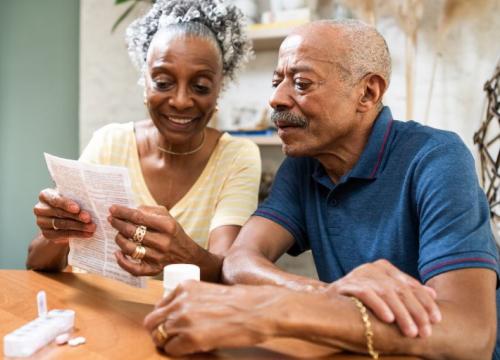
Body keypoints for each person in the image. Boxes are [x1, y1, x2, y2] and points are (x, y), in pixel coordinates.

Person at [144, 19, 500, 359]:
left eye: (301, 83)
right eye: (277, 82)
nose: (276, 99)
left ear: (367, 92)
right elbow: (238, 262)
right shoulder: (304, 164)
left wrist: (273, 311)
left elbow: (470, 337)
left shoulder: (436, 158)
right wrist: (328, 296)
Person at [26, 0, 261, 282]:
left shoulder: (236, 157)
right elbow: (36, 263)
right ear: (145, 82)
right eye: (163, 82)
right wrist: (56, 230)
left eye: (200, 86)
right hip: (95, 314)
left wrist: (183, 253)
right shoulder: (110, 143)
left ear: (219, 88)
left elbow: (225, 273)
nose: (181, 100)